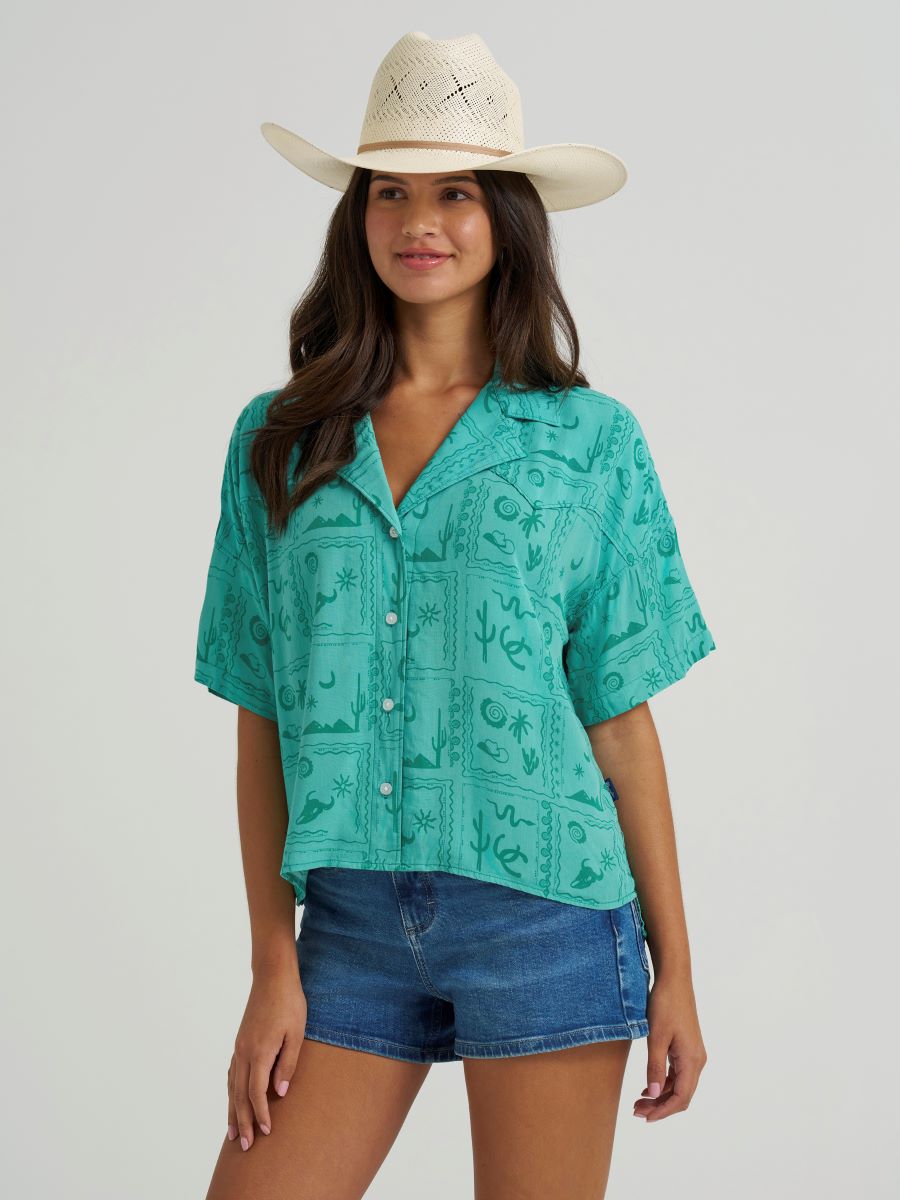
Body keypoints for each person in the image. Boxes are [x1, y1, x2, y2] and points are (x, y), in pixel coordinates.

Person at [195, 30, 716, 1200]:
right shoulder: (277, 442)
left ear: (508, 219)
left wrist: (675, 970)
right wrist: (273, 960)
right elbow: (260, 713)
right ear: (358, 216)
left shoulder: (592, 444)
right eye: (390, 191)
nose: (418, 220)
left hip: (548, 917)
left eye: (456, 193)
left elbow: (621, 722)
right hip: (346, 930)